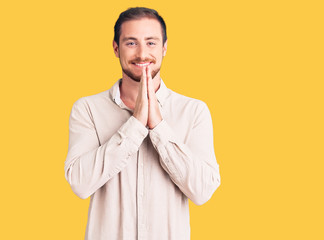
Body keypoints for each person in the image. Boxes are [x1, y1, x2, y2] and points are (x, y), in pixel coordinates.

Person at [65, 7, 220, 240]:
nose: (142, 53)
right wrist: (136, 124)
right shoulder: (87, 109)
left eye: (150, 43)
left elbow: (202, 191)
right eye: (131, 43)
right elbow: (80, 183)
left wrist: (158, 126)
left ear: (164, 48)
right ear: (116, 48)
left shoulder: (194, 111)